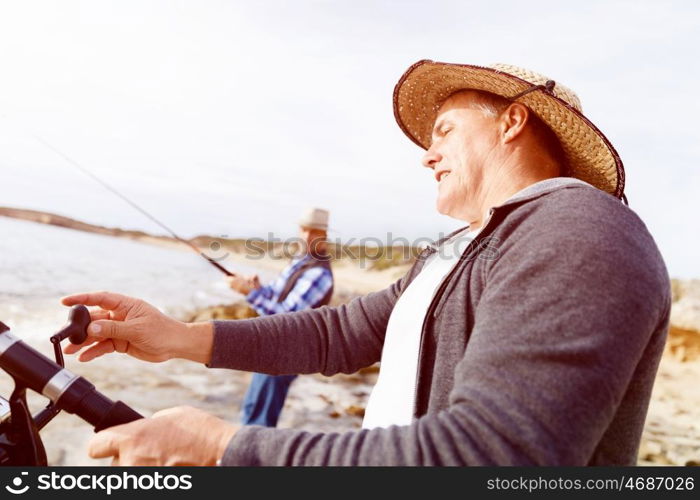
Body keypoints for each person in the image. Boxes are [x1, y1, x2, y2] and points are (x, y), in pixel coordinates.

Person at [62, 60, 670, 466]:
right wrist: (180, 337)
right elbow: (342, 333)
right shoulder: (456, 249)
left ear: (513, 121)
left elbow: (494, 454)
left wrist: (226, 447)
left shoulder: (578, 229)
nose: (427, 155)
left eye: (444, 130)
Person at [225, 208, 334, 427]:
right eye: (304, 230)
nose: (307, 237)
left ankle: (252, 459)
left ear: (324, 236)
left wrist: (249, 293)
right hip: (271, 348)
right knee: (252, 408)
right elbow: (274, 295)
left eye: (314, 232)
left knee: (261, 419)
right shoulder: (299, 262)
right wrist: (256, 288)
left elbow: (286, 316)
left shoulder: (319, 274)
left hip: (287, 355)